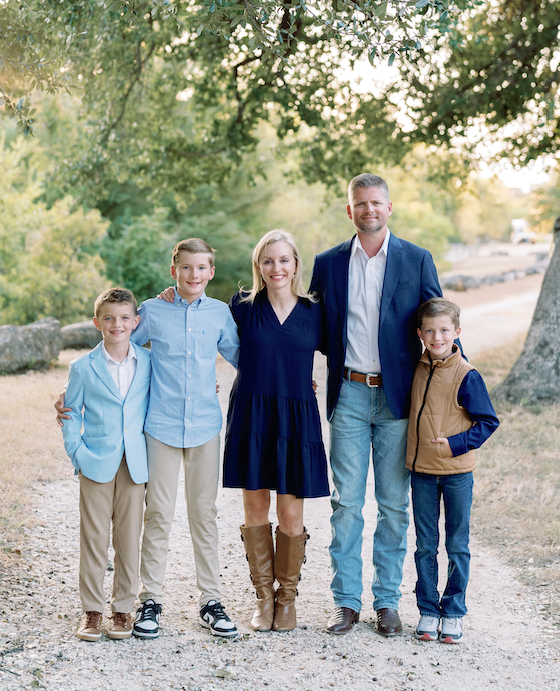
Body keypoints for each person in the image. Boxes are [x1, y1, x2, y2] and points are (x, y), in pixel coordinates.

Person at [58, 239, 240, 639]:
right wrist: (73, 391)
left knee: (204, 513)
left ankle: (211, 600)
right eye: (186, 267)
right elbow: (119, 347)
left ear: (211, 272)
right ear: (174, 270)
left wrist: (293, 379)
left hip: (204, 427)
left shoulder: (220, 313)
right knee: (157, 513)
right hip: (159, 429)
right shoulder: (153, 311)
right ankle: (150, 600)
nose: (193, 275)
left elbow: (243, 358)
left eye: (201, 268)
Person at [310, 173, 449, 637]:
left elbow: (438, 324)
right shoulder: (328, 263)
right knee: (346, 503)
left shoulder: (416, 258)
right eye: (360, 203)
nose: (368, 210)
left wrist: (455, 384)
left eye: (376, 202)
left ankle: (387, 601)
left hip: (398, 397)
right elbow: (310, 325)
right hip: (348, 392)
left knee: (392, 504)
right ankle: (346, 601)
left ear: (389, 207)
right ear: (349, 210)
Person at [224, 230, 329, 632]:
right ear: (258, 266)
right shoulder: (241, 307)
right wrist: (170, 296)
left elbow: (346, 351)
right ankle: (263, 598)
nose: (276, 268)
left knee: (289, 511)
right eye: (268, 261)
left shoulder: (315, 311)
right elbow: (199, 328)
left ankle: (286, 599)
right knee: (255, 508)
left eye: (284, 260)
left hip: (295, 417)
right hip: (252, 414)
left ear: (296, 264)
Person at [407, 297, 498, 644]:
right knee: (425, 545)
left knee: (457, 544)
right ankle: (429, 610)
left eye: (444, 330)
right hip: (422, 472)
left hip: (457, 472)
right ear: (420, 333)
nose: (437, 337)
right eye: (430, 331)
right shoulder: (415, 367)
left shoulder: (467, 375)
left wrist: (456, 444)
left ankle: (454, 611)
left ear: (457, 332)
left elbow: (488, 421)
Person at [62, 288, 151, 641]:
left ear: (136, 322)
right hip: (95, 462)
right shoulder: (82, 367)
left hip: (135, 463)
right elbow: (70, 412)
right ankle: (92, 611)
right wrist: (77, 452)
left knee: (129, 539)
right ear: (97, 322)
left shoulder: (149, 362)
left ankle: (123, 609)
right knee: (94, 538)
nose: (117, 324)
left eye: (125, 318)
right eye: (109, 318)